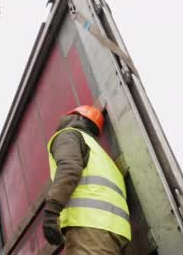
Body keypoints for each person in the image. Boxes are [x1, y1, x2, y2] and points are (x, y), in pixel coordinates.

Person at [42, 105, 131, 254]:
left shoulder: (69, 135)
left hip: (89, 226)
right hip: (116, 232)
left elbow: (69, 168)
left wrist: (51, 212)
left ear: (76, 117)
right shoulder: (103, 157)